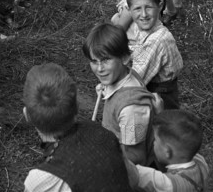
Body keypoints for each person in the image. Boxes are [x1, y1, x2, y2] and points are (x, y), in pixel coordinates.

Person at [22, 63, 132, 192]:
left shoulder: (42, 180)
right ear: (77, 107)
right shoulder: (103, 133)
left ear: (26, 115)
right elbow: (133, 177)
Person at [83, 23, 156, 166]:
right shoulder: (123, 74)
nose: (99, 69)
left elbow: (136, 157)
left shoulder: (131, 109)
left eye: (106, 60)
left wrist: (99, 149)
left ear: (124, 58)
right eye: (94, 61)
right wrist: (106, 86)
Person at [126, 0, 183, 110]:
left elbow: (134, 81)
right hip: (154, 89)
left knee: (161, 128)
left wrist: (111, 85)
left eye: (149, 7)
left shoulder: (158, 40)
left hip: (162, 98)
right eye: (137, 9)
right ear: (129, 10)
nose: (144, 14)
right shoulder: (141, 29)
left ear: (160, 6)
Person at [125, 110, 209, 192]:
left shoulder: (167, 185)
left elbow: (133, 172)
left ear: (167, 151)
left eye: (155, 140)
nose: (153, 143)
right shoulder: (201, 163)